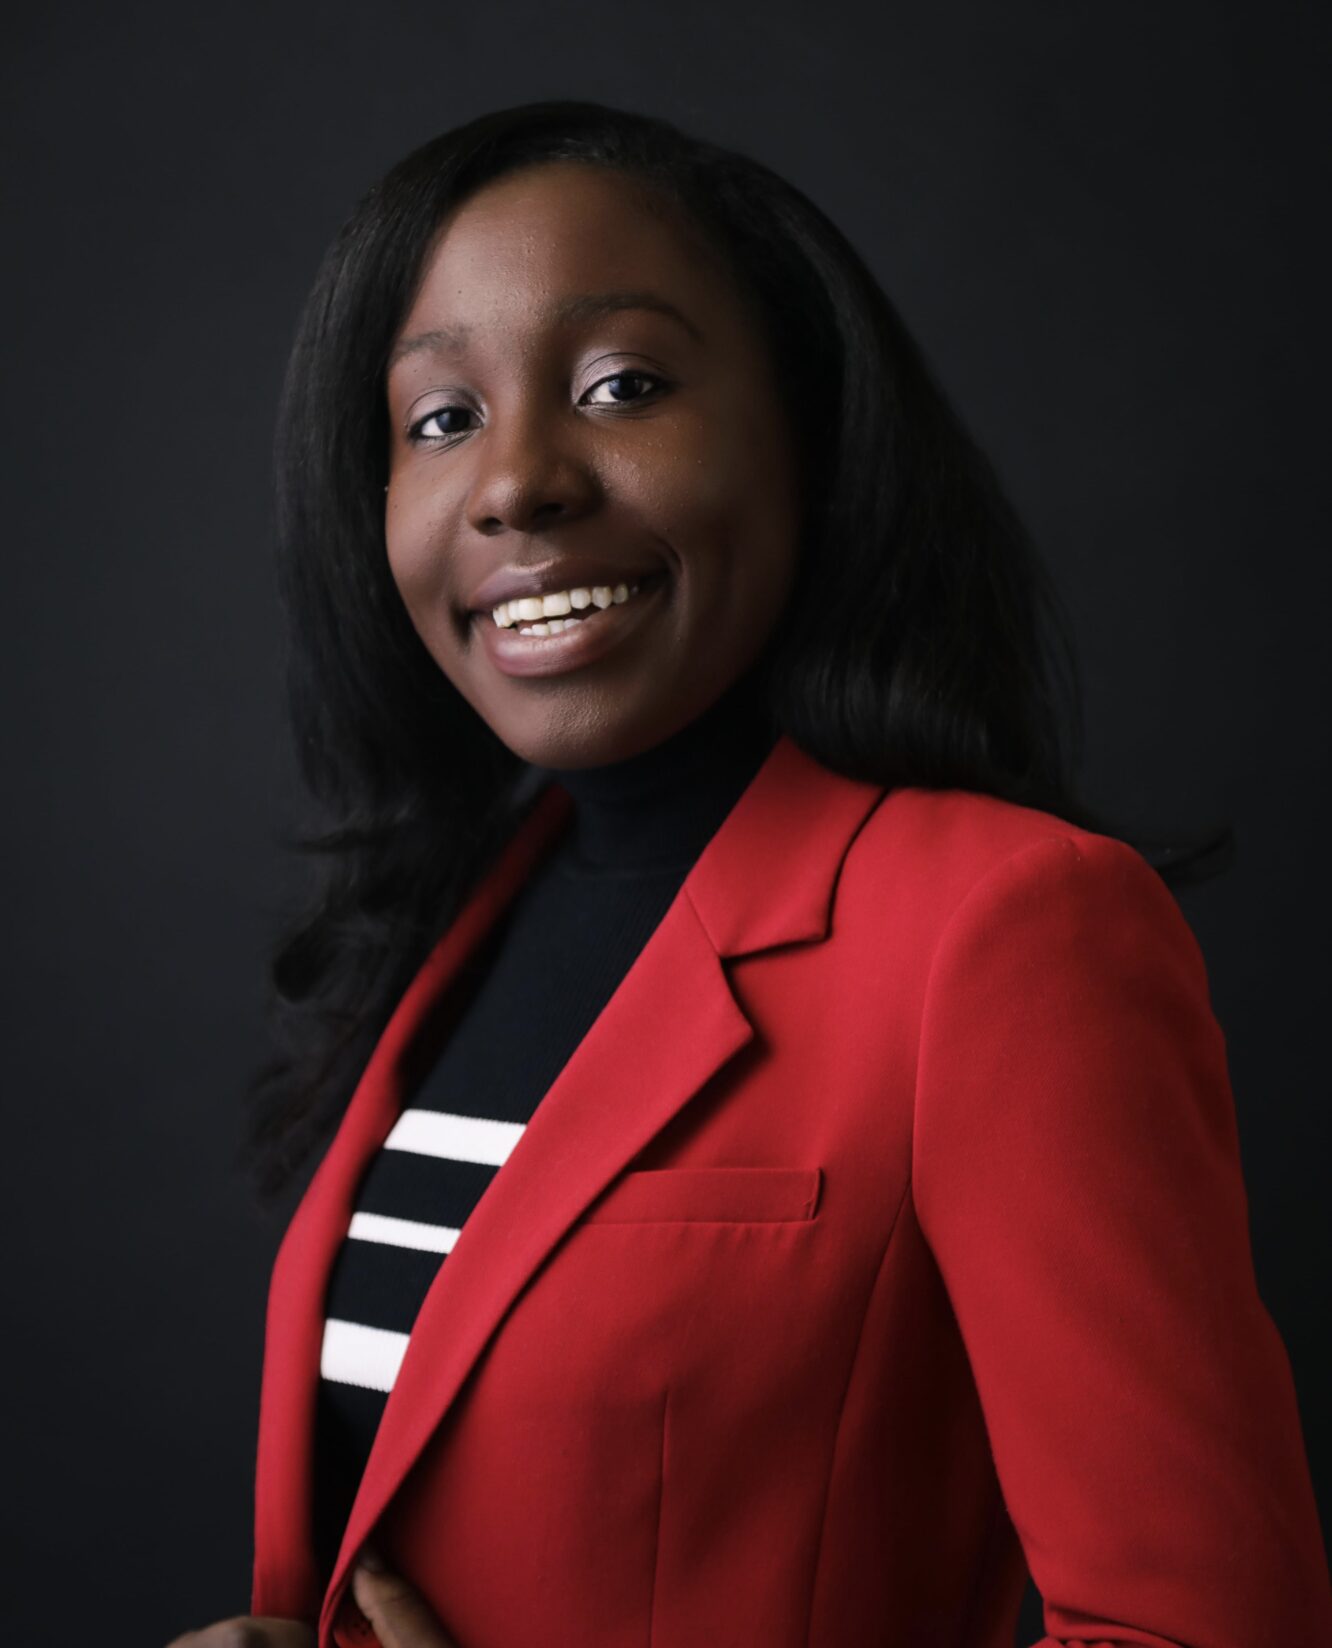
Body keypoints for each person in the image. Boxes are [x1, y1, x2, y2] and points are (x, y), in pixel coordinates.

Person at [169, 100, 1332, 1648]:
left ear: (810, 433)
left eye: (622, 386)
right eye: (439, 419)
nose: (516, 481)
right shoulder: (456, 922)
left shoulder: (1004, 929)